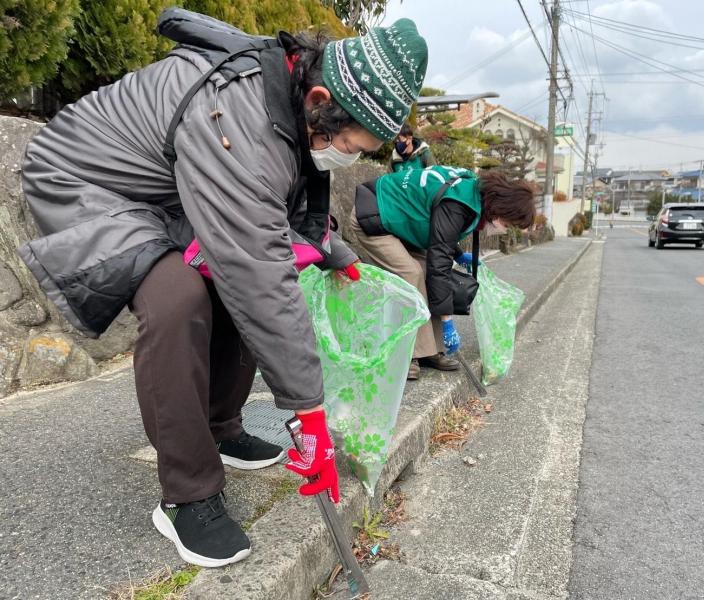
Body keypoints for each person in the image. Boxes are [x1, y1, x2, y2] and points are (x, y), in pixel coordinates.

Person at [17, 8, 428, 568]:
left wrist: (335, 251)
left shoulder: (285, 92)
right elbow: (257, 263)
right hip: (85, 181)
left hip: (163, 191)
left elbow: (275, 208)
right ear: (319, 101)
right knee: (179, 297)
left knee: (229, 277)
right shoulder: (238, 112)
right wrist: (308, 410)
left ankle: (221, 427)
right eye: (353, 147)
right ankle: (188, 495)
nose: (350, 157)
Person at [349, 166, 536, 380]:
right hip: (375, 215)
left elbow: (441, 231)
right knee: (412, 274)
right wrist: (447, 321)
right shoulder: (460, 203)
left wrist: (457, 254)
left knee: (428, 270)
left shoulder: (475, 192)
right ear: (501, 207)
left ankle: (431, 350)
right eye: (507, 222)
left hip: (402, 222)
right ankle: (408, 354)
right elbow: (440, 262)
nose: (505, 228)